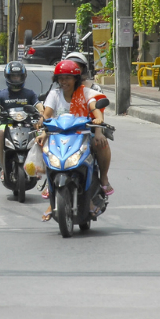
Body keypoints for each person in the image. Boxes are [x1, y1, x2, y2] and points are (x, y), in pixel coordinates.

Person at [36, 60, 109, 221]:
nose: (64, 81)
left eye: (68, 78)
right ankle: (50, 187)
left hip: (81, 135)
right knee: (42, 146)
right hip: (58, 136)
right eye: (60, 78)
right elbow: (47, 115)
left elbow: (95, 110)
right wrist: (42, 129)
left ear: (76, 78)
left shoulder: (86, 93)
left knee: (102, 143)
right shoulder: (54, 94)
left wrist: (98, 123)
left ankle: (103, 177)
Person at [0, 61, 40, 181]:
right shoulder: (1, 94)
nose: (16, 79)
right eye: (13, 76)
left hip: (27, 124)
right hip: (7, 125)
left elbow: (39, 106)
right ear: (8, 77)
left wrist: (42, 114)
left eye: (18, 76)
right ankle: (3, 166)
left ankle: (38, 166)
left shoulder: (29, 94)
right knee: (0, 132)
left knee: (40, 133)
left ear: (23, 77)